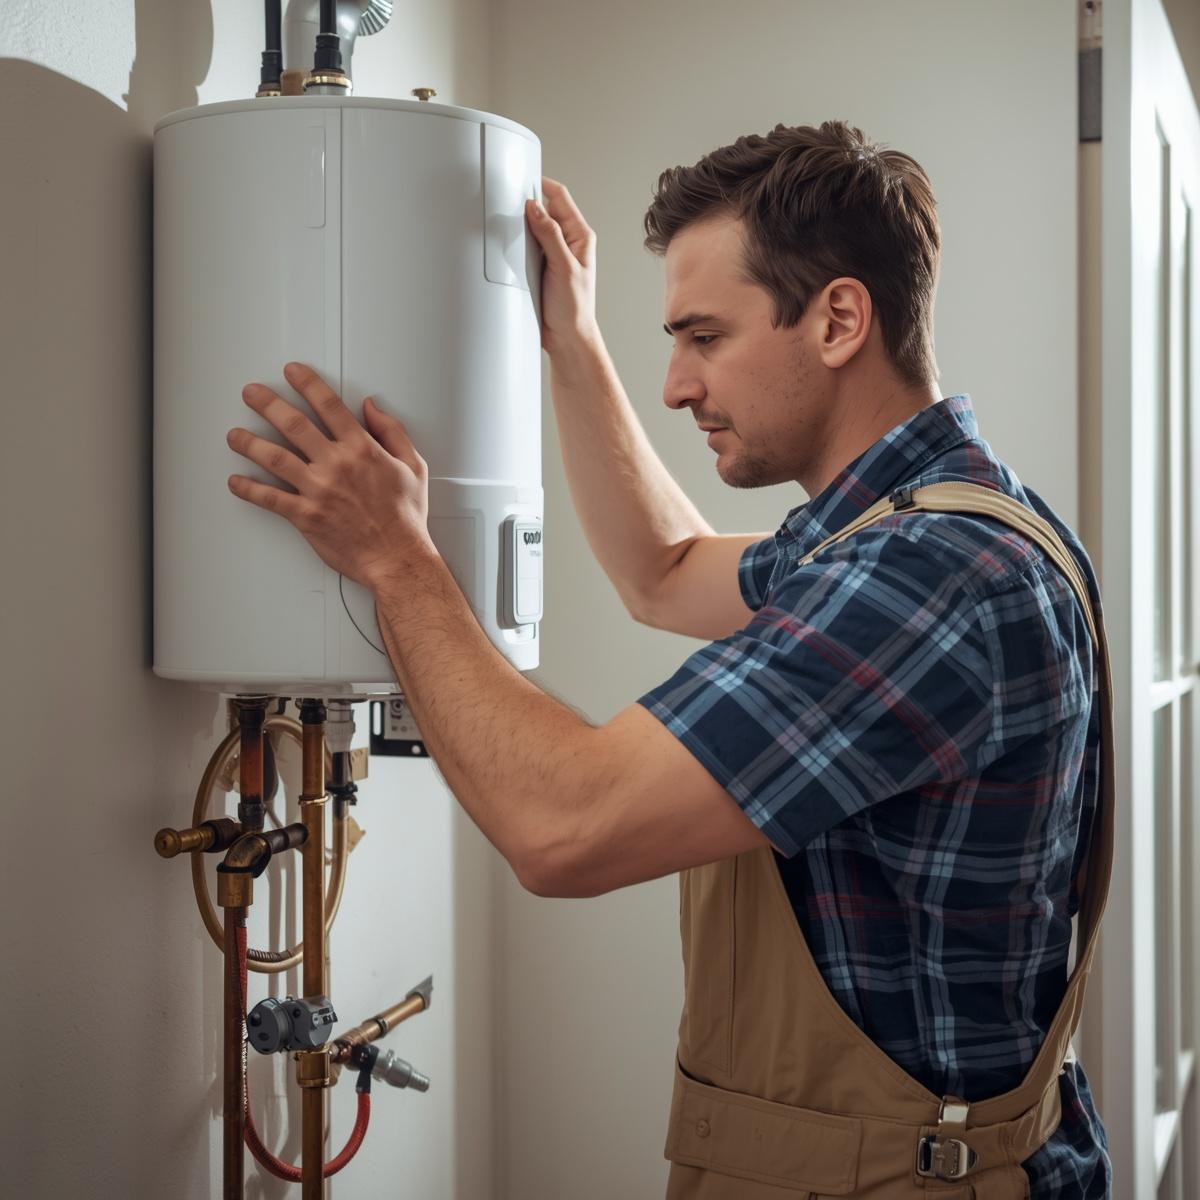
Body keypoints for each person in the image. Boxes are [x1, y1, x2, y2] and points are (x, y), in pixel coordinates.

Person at [226, 120, 1112, 1197]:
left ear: (838, 318)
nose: (677, 385)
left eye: (703, 337)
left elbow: (562, 825)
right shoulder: (919, 523)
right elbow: (664, 566)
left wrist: (398, 562)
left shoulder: (925, 577)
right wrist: (572, 342)